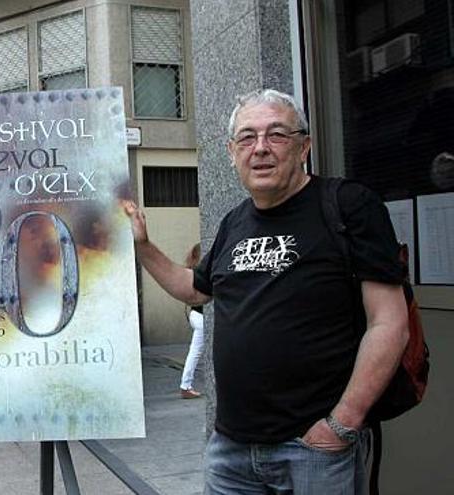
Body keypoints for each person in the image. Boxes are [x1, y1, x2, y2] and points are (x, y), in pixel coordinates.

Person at [124, 89, 409, 494]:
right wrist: (143, 246)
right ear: (231, 152)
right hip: (231, 448)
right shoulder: (234, 222)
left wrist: (343, 422)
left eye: (276, 135)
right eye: (247, 137)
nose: (260, 148)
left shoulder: (348, 206)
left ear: (304, 146)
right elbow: (194, 290)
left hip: (314, 448)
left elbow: (389, 323)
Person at [179, 242, 204, 400]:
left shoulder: (190, 270)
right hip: (202, 317)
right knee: (195, 353)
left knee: (195, 352)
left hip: (195, 314)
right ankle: (185, 386)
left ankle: (186, 386)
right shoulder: (200, 272)